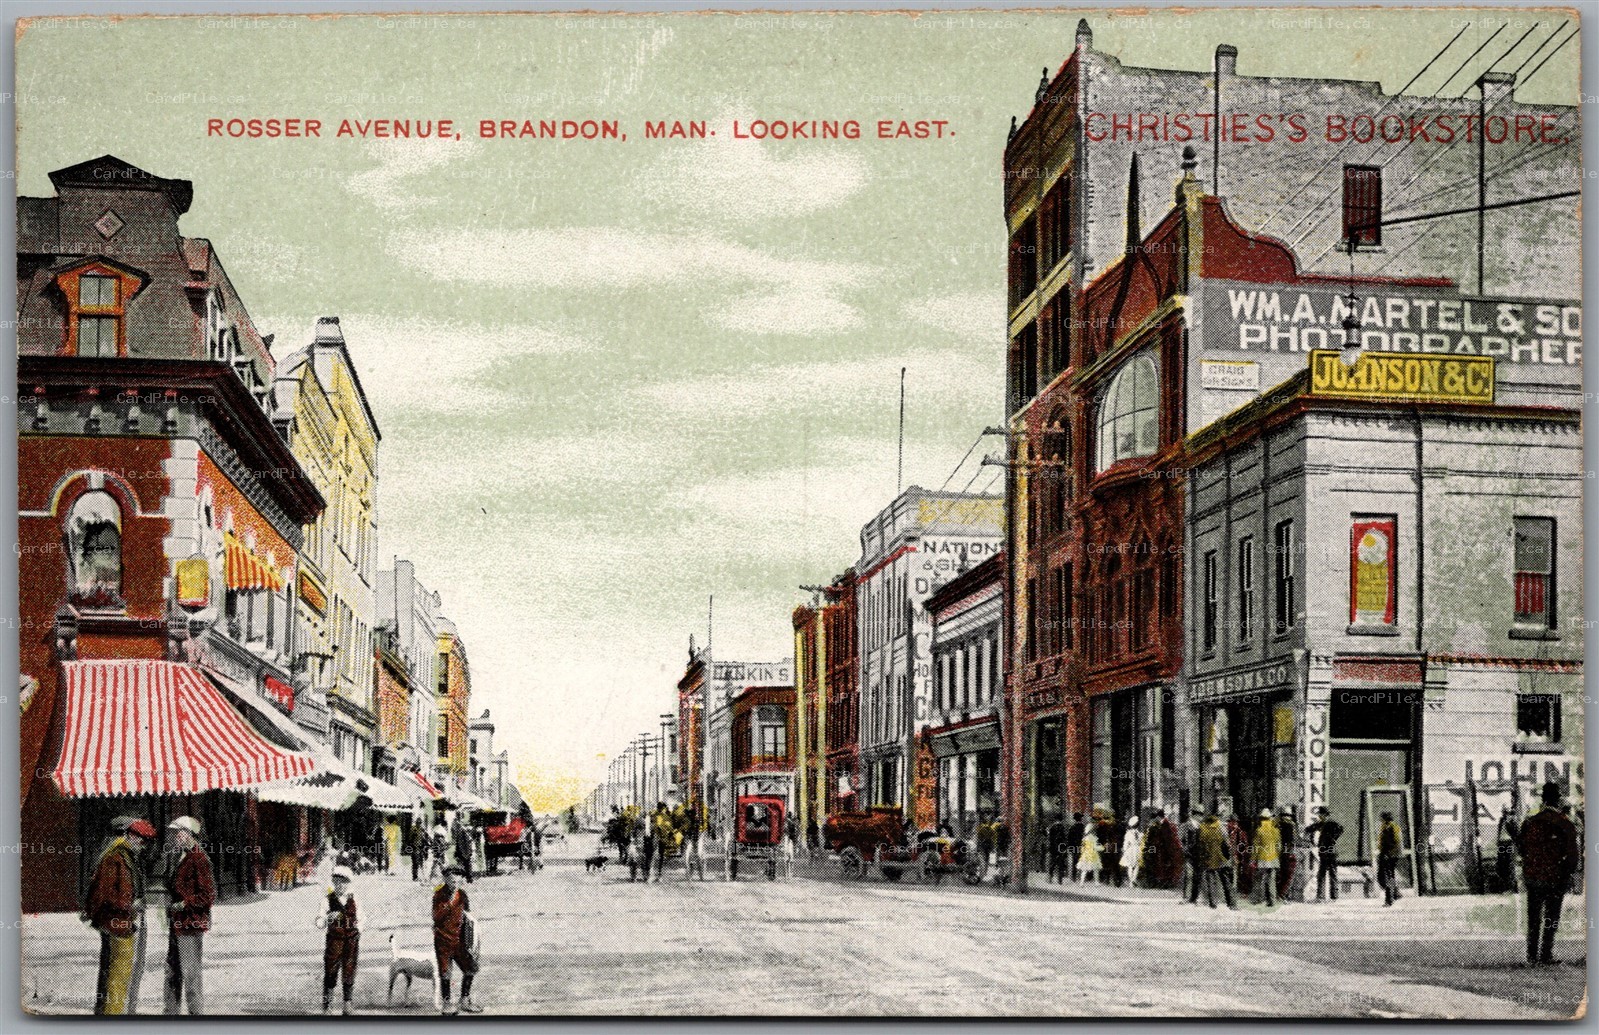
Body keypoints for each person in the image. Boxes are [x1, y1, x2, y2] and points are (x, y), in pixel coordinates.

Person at [85, 816, 155, 1015]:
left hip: (124, 921)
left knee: (121, 971)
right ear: (131, 836)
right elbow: (106, 894)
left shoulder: (127, 857)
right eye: (142, 841)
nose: (143, 846)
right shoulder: (115, 858)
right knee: (119, 972)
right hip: (118, 922)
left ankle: (115, 1013)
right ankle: (113, 1014)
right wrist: (130, 905)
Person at [1518, 781, 1581, 966]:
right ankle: (1546, 953)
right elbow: (1572, 855)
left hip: (1533, 876)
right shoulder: (1565, 823)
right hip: (1555, 877)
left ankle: (1531, 955)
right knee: (1551, 917)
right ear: (1559, 799)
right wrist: (1569, 873)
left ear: (1543, 799)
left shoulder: (1530, 822)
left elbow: (1522, 848)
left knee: (1534, 916)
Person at [163, 816, 214, 1015]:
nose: (176, 836)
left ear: (190, 834)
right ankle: (170, 1014)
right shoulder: (180, 856)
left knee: (190, 975)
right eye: (175, 832)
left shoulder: (199, 858)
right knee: (172, 970)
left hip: (190, 925)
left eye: (179, 832)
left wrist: (185, 903)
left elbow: (207, 895)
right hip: (177, 923)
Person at [433, 865, 481, 1014]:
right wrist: (449, 904)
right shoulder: (438, 895)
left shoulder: (463, 895)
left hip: (460, 941)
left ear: (461, 880)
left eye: (457, 880)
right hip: (443, 941)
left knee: (471, 968)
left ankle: (465, 1000)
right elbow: (436, 917)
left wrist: (472, 938)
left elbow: (468, 916)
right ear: (445, 880)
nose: (454, 883)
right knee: (445, 973)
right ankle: (447, 1004)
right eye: (451, 880)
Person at [319, 865, 359, 1014]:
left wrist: (358, 930)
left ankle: (347, 1005)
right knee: (331, 970)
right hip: (334, 941)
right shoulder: (327, 900)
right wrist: (326, 919)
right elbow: (319, 920)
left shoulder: (354, 900)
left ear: (348, 883)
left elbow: (362, 918)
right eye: (336, 882)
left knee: (349, 970)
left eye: (343, 882)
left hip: (351, 941)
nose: (339, 885)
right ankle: (327, 1005)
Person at [1197, 811, 1237, 910]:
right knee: (1226, 882)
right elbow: (1227, 844)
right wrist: (1230, 857)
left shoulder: (1202, 828)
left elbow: (1200, 845)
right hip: (1221, 859)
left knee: (1211, 881)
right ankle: (1231, 904)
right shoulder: (1221, 827)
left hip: (1209, 858)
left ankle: (1213, 903)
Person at [1304, 806, 1344, 901]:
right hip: (1326, 851)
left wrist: (1333, 838)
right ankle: (1331, 896)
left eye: (1320, 815)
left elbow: (1341, 829)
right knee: (1329, 873)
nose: (1319, 816)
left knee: (1325, 874)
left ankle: (1325, 896)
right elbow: (1309, 829)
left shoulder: (1330, 823)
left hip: (1329, 851)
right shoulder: (1322, 823)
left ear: (1324, 815)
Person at [1143, 809, 1184, 890]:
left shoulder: (1163, 824)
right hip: (1156, 848)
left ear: (1158, 817)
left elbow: (1165, 839)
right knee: (1156, 864)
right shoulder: (1158, 825)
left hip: (1160, 849)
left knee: (1161, 866)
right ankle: (1157, 882)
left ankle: (1161, 883)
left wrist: (1150, 850)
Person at [1253, 809, 1281, 907]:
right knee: (1271, 879)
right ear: (1270, 818)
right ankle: (1272, 901)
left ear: (1261, 819)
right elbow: (1279, 846)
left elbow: (1255, 846)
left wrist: (1253, 859)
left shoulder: (1259, 830)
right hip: (1273, 858)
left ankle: (1259, 899)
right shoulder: (1276, 830)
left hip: (1262, 858)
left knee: (1260, 879)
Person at [1376, 811, 1403, 907]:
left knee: (1387, 877)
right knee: (1383, 876)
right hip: (1385, 854)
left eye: (1382, 819)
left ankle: (1389, 899)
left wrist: (1390, 854)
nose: (1381, 820)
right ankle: (1395, 893)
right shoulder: (1384, 827)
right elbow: (1381, 842)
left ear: (1385, 819)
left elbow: (1397, 842)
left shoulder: (1393, 827)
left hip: (1390, 855)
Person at [1181, 809, 1204, 904]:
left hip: (1199, 854)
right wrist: (1184, 849)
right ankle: (1186, 896)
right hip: (1189, 854)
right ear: (1195, 815)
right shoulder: (1185, 825)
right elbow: (1180, 839)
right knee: (1189, 874)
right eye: (1200, 815)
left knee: (1198, 876)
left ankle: (1194, 897)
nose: (1201, 817)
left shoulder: (1201, 826)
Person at [1044, 815, 1068, 884]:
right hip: (1060, 848)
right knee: (1060, 863)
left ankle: (1050, 879)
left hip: (1053, 848)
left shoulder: (1052, 827)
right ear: (1061, 820)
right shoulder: (1063, 827)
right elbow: (1064, 839)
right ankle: (1060, 880)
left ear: (1055, 819)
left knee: (1052, 863)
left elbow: (1049, 838)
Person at [1122, 816, 1143, 888]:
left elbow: (1126, 843)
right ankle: (1134, 879)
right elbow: (1141, 843)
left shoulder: (1128, 833)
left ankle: (1131, 882)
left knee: (1130, 866)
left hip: (1130, 849)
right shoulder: (1140, 834)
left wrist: (1124, 850)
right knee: (1137, 866)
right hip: (1137, 850)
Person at [1064, 813, 1085, 882]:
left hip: (1074, 847)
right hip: (1082, 846)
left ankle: (1074, 877)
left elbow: (1069, 839)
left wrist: (1069, 848)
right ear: (1080, 819)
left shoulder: (1072, 827)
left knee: (1074, 862)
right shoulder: (1083, 827)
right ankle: (1082, 876)